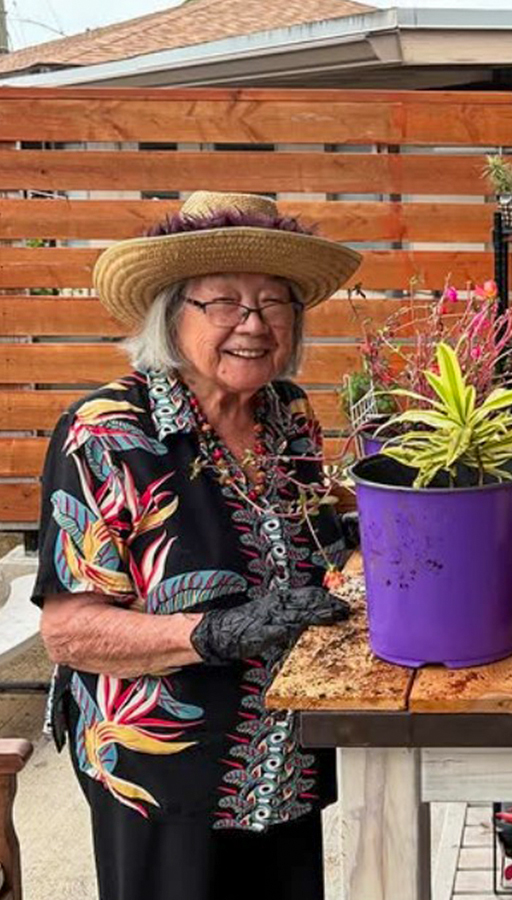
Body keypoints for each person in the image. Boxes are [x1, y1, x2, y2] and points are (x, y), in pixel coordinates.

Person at [32, 191, 363, 900]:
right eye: (223, 303)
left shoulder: (287, 416)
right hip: (160, 772)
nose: (252, 324)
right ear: (171, 315)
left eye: (274, 303)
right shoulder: (108, 433)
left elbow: (312, 536)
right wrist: (218, 631)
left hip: (283, 761)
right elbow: (68, 632)